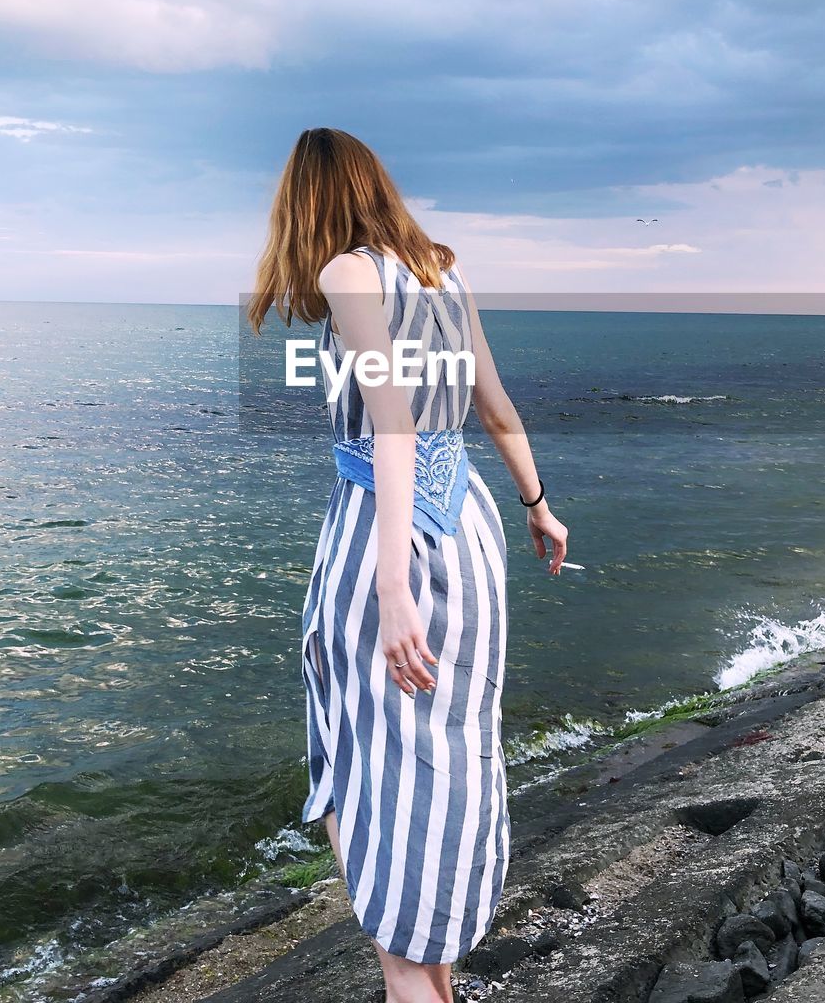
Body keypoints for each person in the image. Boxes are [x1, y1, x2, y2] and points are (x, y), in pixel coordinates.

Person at [247, 128, 568, 1003]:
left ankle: (406, 969)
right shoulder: (444, 273)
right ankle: (430, 960)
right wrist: (539, 505)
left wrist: (393, 587)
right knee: (447, 750)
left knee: (359, 745)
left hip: (384, 531)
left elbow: (390, 424)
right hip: (467, 526)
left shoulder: (348, 274)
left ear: (307, 201)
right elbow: (495, 408)